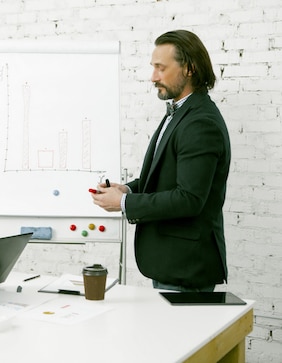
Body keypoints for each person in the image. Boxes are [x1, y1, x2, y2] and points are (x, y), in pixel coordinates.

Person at [90, 30, 230, 292]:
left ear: (189, 69)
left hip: (185, 269)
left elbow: (189, 198)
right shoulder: (180, 113)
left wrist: (123, 203)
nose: (153, 77)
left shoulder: (200, 123)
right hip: (173, 264)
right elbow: (166, 177)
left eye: (160, 68)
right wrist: (128, 189)